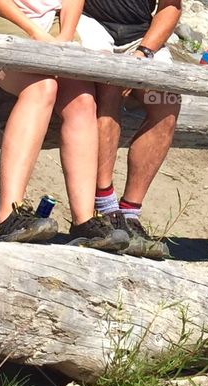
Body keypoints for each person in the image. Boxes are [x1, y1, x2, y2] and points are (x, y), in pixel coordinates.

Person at [0, 0, 129, 251]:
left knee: (82, 102)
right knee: (41, 87)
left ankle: (85, 220)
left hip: (52, 22)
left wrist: (66, 36)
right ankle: (7, 216)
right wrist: (36, 34)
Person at [76, 0, 183, 259]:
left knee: (167, 103)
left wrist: (144, 53)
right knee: (109, 85)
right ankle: (104, 203)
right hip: (91, 22)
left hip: (140, 36)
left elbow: (171, 6)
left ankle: (130, 211)